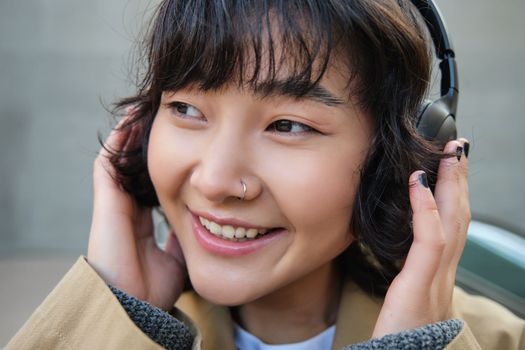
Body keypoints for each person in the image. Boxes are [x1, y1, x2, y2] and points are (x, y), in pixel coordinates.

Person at [6, 0, 524, 349]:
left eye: (288, 124)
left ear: (393, 163)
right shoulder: (92, 330)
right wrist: (120, 316)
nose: (214, 181)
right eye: (186, 108)